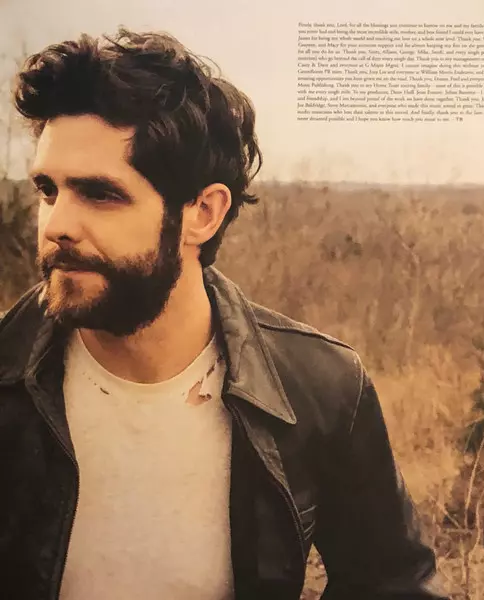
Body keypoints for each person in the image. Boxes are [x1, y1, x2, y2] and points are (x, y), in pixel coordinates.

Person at [0, 28, 449, 600]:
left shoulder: (319, 389)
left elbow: (394, 583)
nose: (57, 224)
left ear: (203, 213)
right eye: (48, 190)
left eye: (100, 194)